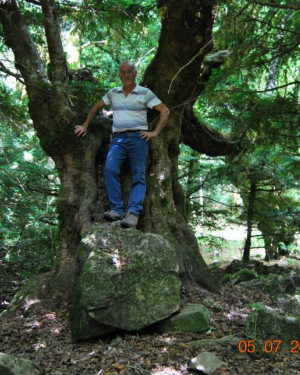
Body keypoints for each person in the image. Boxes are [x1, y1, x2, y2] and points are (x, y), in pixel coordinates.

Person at [75, 61, 170, 228]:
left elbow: (165, 111)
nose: (126, 75)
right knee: (110, 169)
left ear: (135, 73)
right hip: (118, 138)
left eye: (129, 71)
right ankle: (117, 209)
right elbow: (96, 107)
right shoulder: (113, 93)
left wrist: (154, 132)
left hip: (138, 138)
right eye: (123, 72)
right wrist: (84, 125)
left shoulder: (144, 93)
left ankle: (133, 212)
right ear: (119, 74)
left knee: (138, 175)